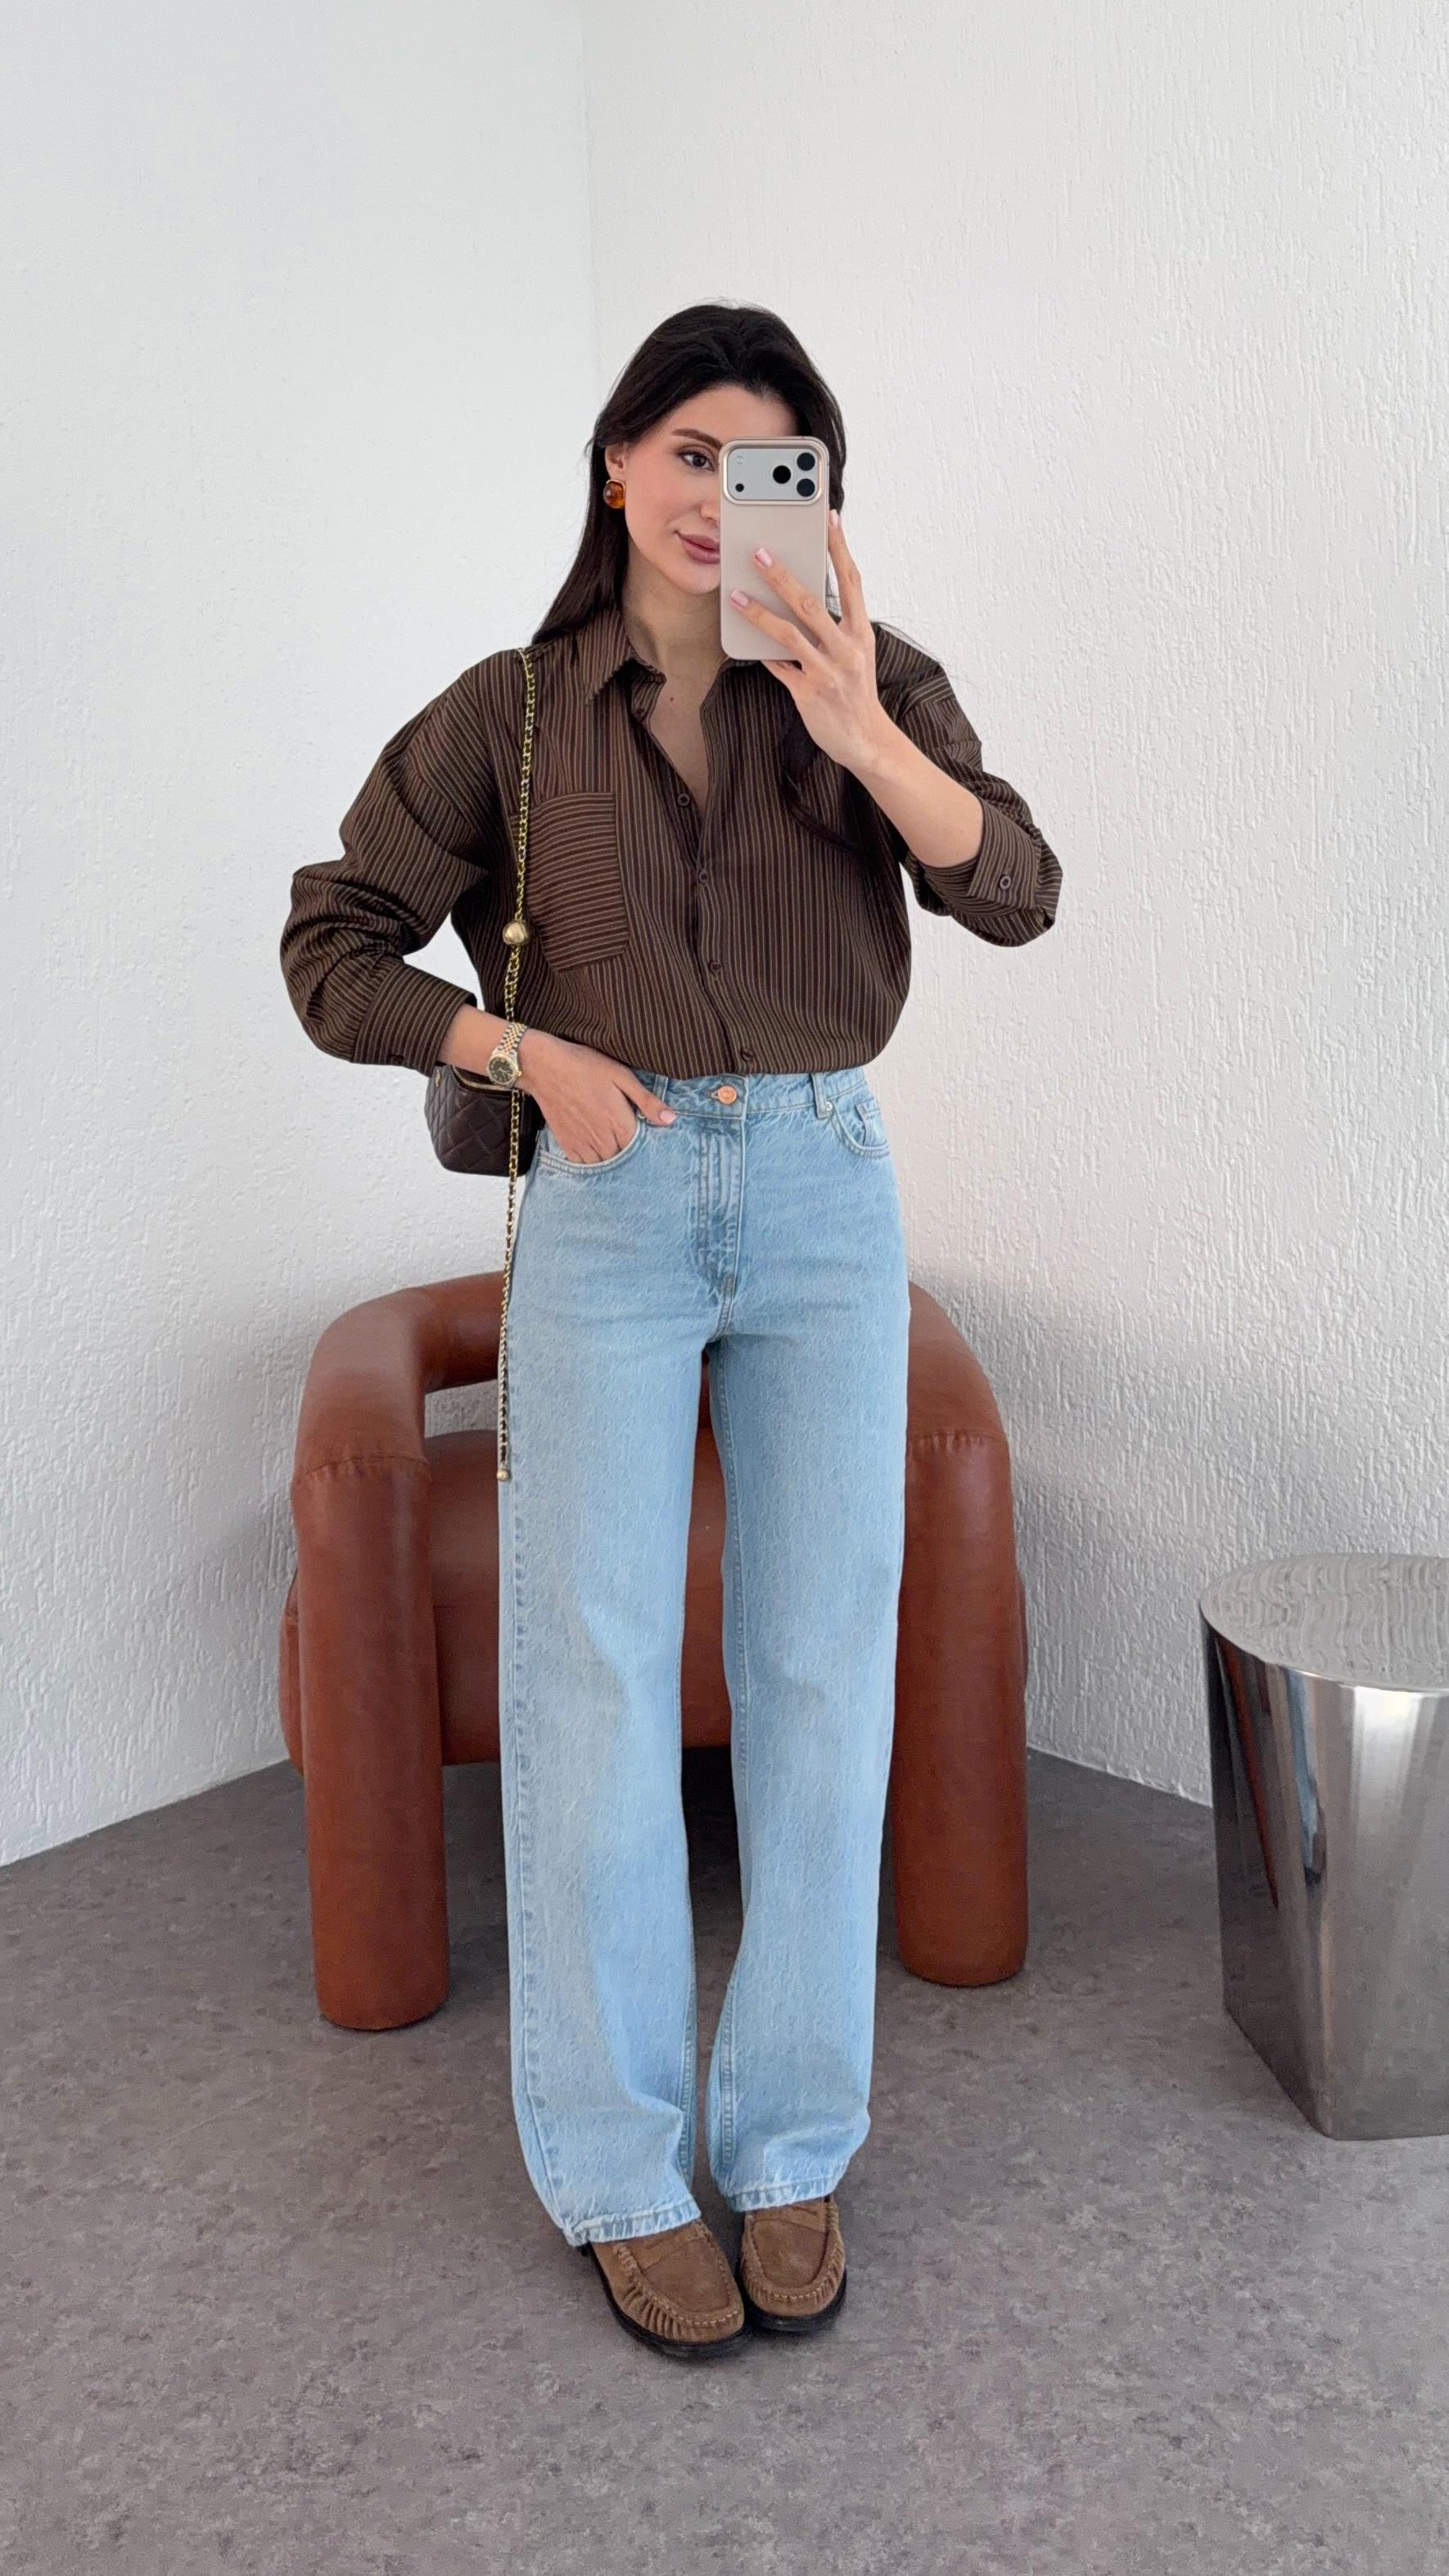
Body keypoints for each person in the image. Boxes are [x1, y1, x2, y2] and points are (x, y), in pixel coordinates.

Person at [280, 300, 1062, 2362]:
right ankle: (619, 2166)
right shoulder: (516, 715)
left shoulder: (874, 683)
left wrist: (860, 723)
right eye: (692, 452)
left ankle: (792, 2142)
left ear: (821, 496)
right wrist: (518, 1049)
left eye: (771, 464)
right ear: (616, 464)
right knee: (597, 1680)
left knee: (822, 1669)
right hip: (610, 1197)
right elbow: (329, 940)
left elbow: (1017, 887)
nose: (724, 498)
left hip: (822, 1186)